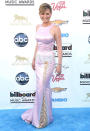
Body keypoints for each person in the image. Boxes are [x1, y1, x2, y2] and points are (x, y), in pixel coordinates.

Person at [21, 3, 62, 128]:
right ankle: (44, 116)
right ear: (39, 14)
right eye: (43, 14)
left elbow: (59, 47)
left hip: (48, 60)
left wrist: (59, 64)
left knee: (41, 86)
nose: (45, 16)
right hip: (38, 60)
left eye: (47, 13)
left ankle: (41, 119)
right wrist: (33, 59)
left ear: (51, 14)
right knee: (43, 88)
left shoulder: (55, 28)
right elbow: (37, 45)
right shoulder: (37, 26)